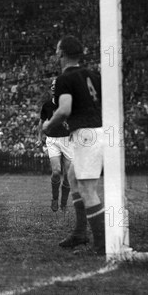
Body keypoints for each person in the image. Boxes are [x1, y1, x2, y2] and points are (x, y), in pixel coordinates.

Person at [42, 35, 105, 255]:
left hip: (87, 134)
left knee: (87, 189)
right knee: (73, 177)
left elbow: (65, 109)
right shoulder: (93, 75)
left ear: (61, 53)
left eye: (57, 49)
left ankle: (103, 245)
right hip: (101, 130)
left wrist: (48, 125)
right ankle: (80, 233)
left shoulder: (64, 79)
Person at [38, 79, 72, 212]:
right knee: (56, 171)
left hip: (67, 141)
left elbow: (76, 121)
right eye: (51, 85)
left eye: (55, 85)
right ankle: (55, 198)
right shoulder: (47, 106)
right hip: (52, 140)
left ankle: (63, 203)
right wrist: (39, 138)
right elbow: (41, 123)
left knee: (68, 176)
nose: (53, 87)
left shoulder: (68, 105)